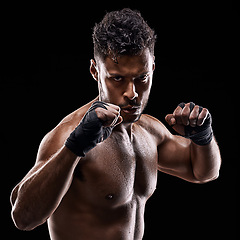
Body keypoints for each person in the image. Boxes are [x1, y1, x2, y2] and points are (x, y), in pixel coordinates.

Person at [10, 8, 221, 240]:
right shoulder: (69, 134)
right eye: (117, 78)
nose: (132, 93)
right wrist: (74, 147)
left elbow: (201, 172)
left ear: (152, 68)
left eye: (141, 78)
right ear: (95, 71)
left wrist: (203, 137)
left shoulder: (149, 131)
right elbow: (23, 217)